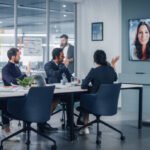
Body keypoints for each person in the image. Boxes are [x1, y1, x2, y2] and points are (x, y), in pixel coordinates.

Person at [1, 48, 57, 137]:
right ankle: (7, 130)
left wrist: (28, 79)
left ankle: (41, 124)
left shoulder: (16, 68)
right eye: (18, 55)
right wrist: (25, 74)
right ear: (13, 57)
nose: (20, 57)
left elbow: (23, 82)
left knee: (40, 100)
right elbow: (12, 81)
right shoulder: (5, 69)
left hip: (22, 95)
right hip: (12, 98)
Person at [78, 50, 118, 134]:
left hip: (96, 103)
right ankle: (85, 123)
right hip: (109, 104)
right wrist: (113, 65)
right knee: (88, 96)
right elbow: (115, 78)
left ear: (94, 60)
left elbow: (83, 86)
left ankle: (85, 127)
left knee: (85, 97)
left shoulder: (94, 71)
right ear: (105, 59)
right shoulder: (111, 70)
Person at [44, 48, 74, 127]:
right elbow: (54, 74)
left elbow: (69, 76)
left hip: (63, 90)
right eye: (62, 56)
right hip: (53, 91)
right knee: (55, 99)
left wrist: (74, 79)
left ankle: (70, 123)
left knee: (71, 97)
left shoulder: (62, 65)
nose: (64, 57)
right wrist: (64, 67)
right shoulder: (48, 65)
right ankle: (42, 122)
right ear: (56, 57)